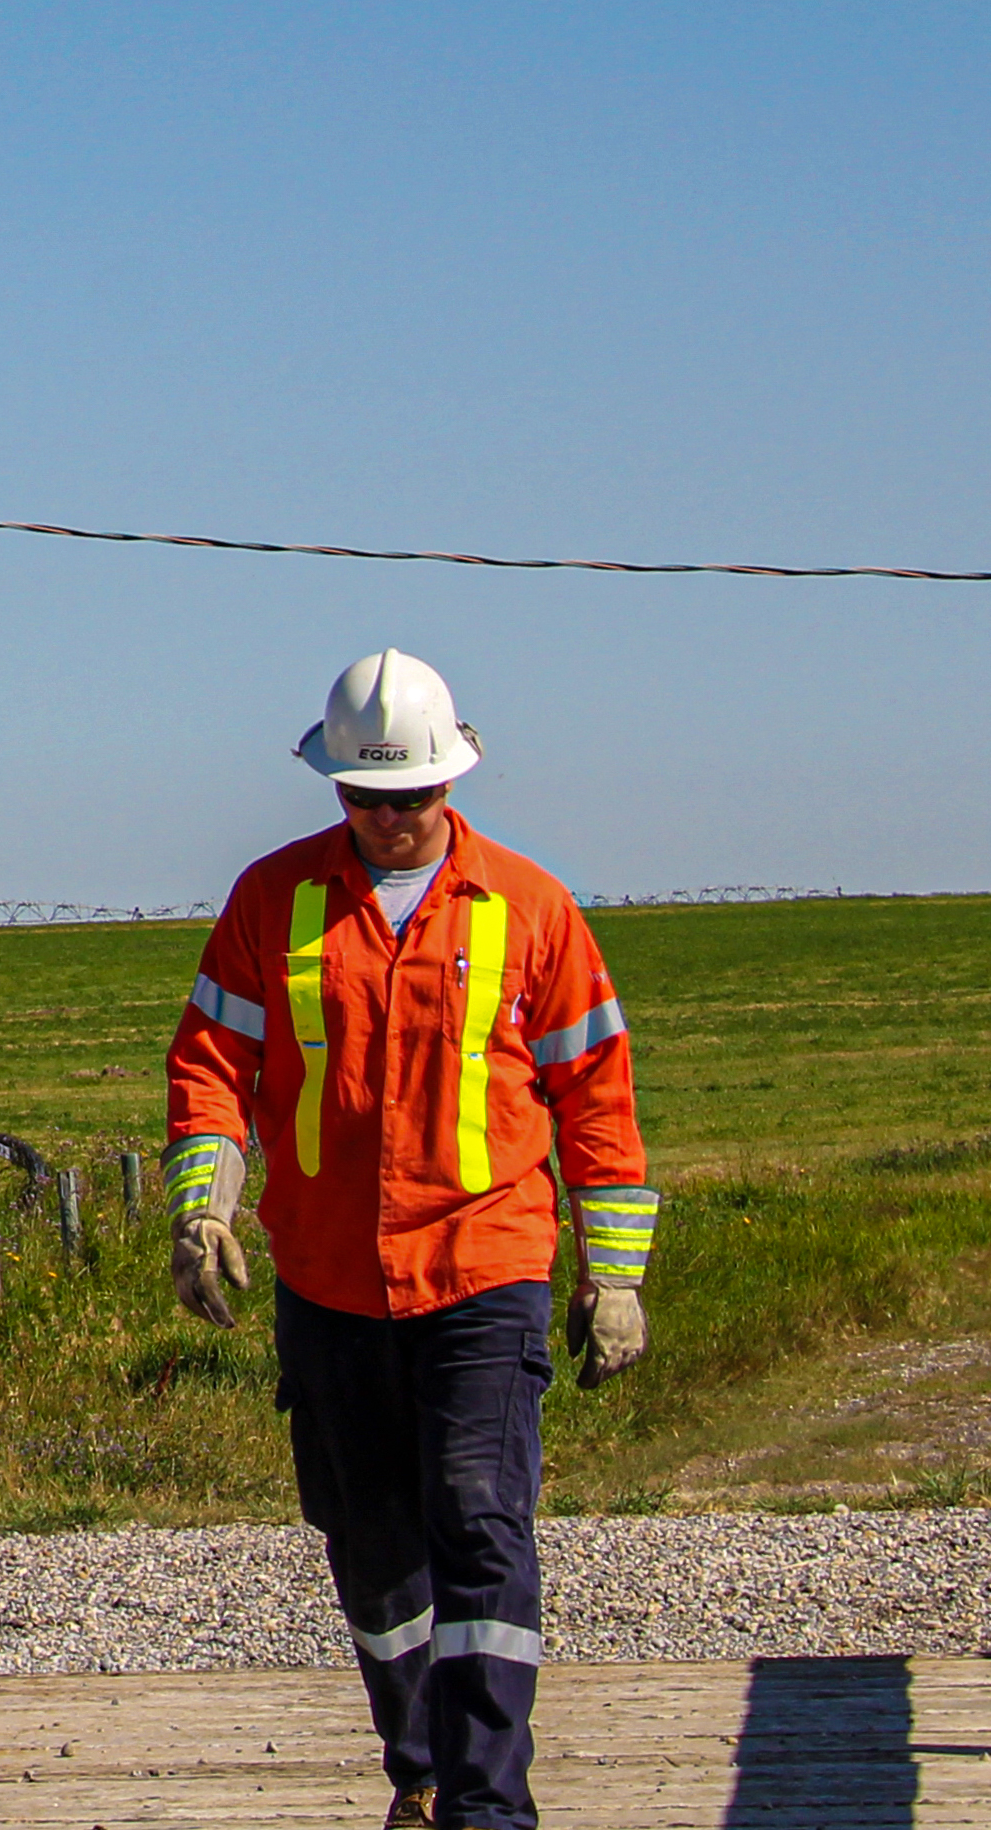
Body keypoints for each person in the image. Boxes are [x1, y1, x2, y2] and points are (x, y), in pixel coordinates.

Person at [164, 650, 656, 1830]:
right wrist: (203, 1207)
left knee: (479, 1513)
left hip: (485, 1267)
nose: (389, 819)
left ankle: (491, 1804)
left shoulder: (530, 908)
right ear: (334, 787)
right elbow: (213, 1069)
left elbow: (596, 1097)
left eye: (411, 796)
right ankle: (423, 1767)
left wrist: (617, 1276)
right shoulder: (269, 902)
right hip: (332, 1281)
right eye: (364, 796)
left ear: (454, 779)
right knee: (371, 1539)